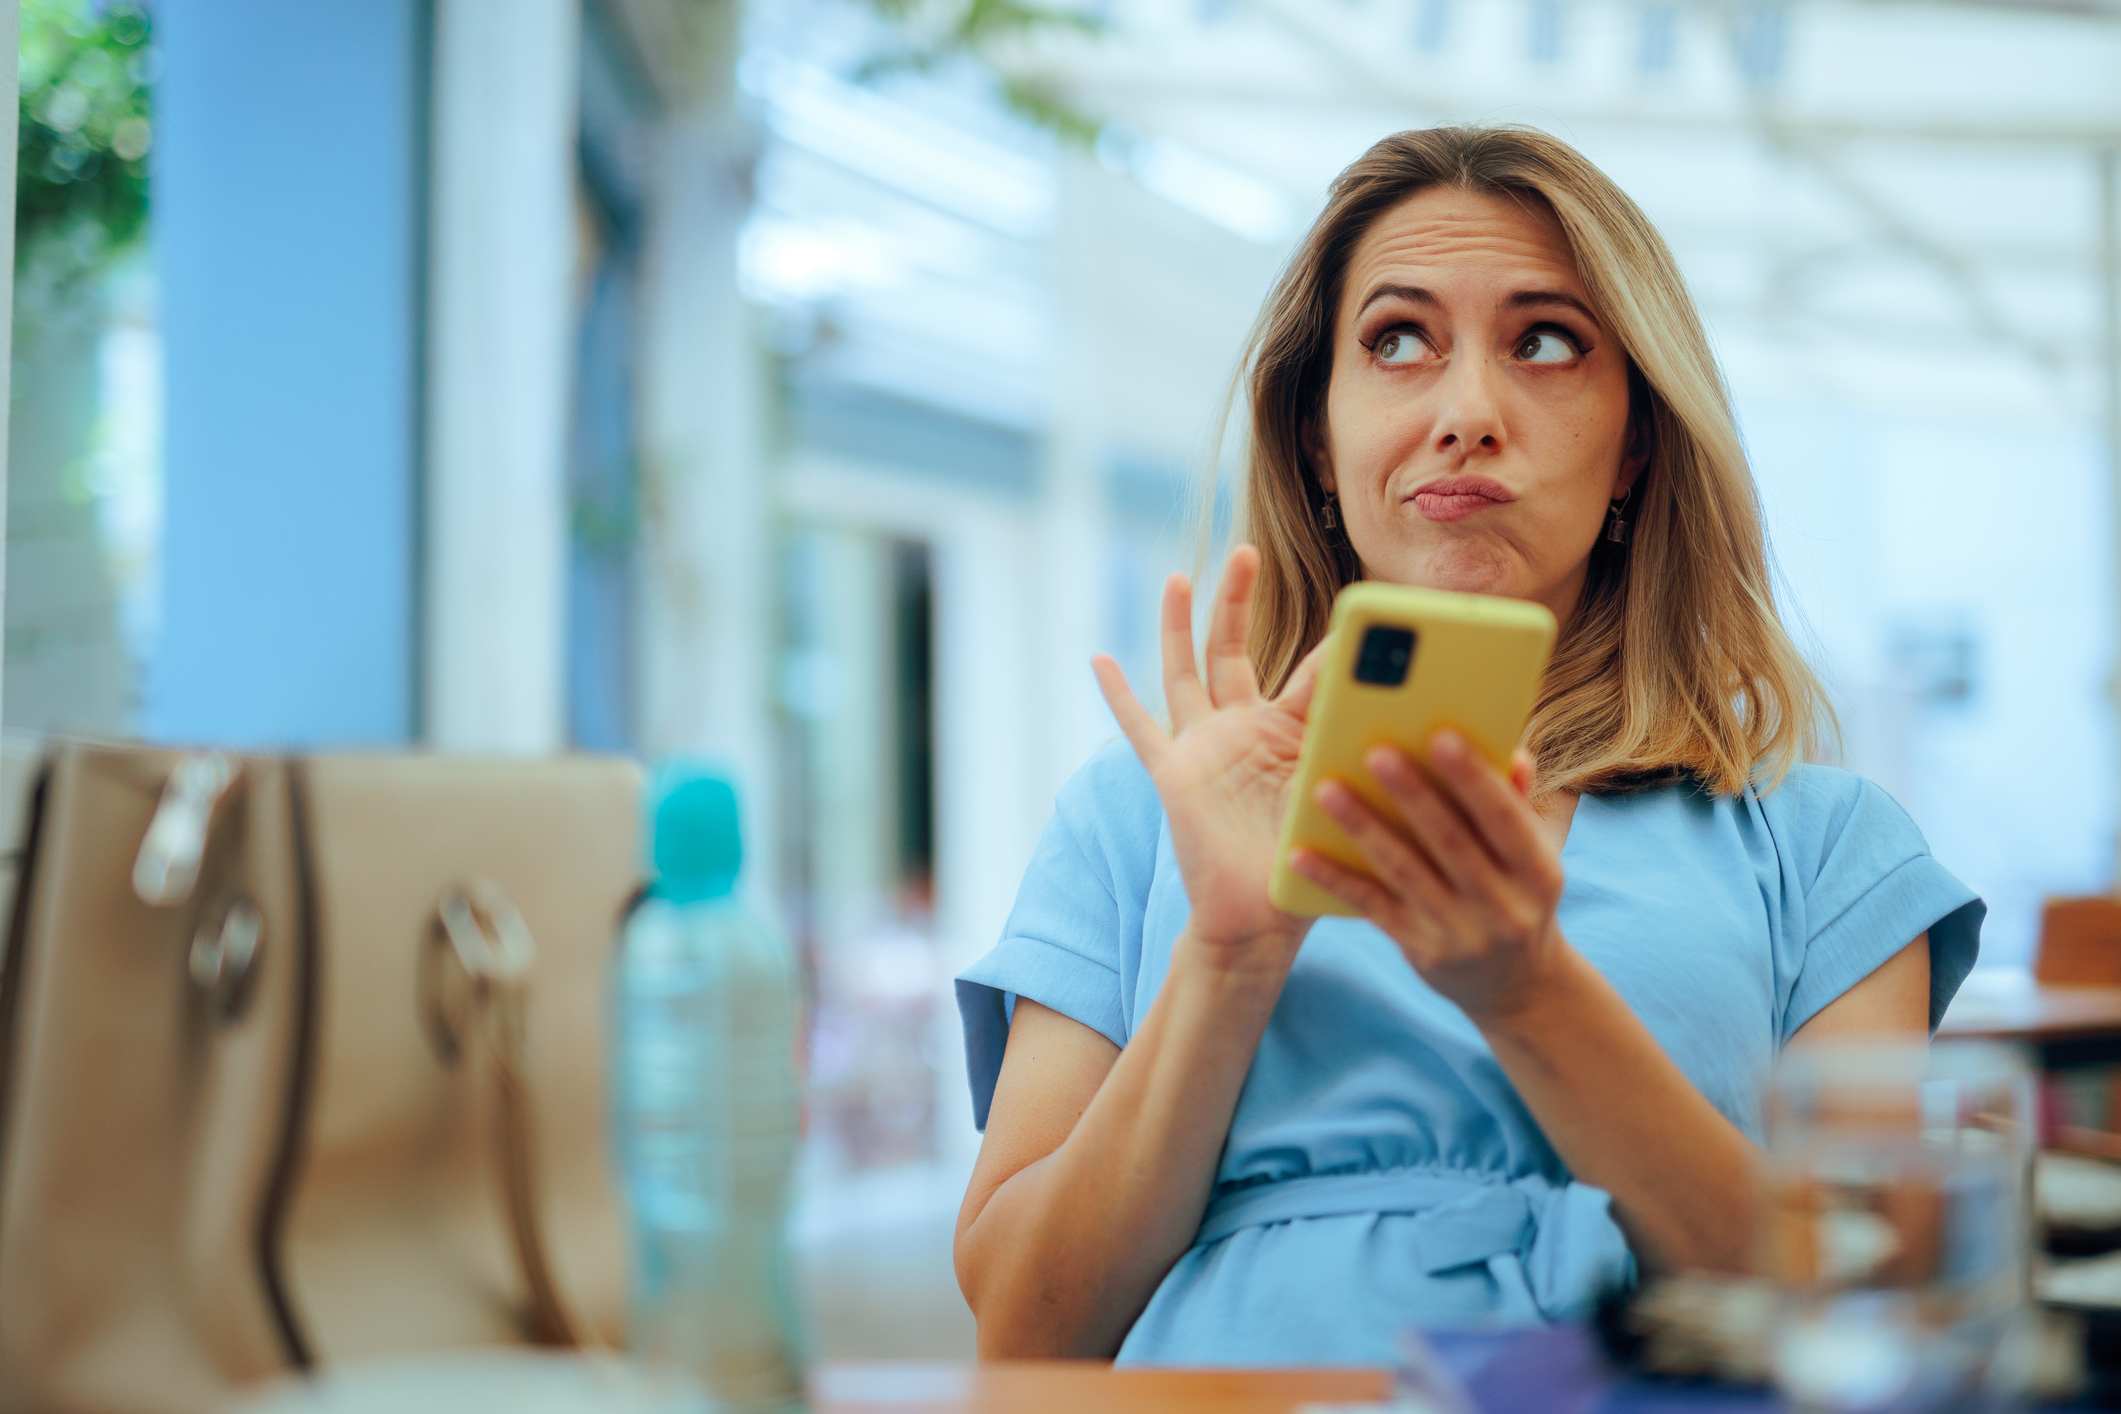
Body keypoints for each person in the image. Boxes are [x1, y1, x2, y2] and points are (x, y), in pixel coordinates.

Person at [950, 126, 1983, 1366]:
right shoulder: (1134, 817)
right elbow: (1024, 1329)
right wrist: (1229, 955)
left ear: (1636, 444)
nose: (1468, 413)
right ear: (1319, 441)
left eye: (1546, 342)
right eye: (1397, 340)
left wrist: (1527, 988)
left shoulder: (1827, 849)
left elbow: (1865, 1294)